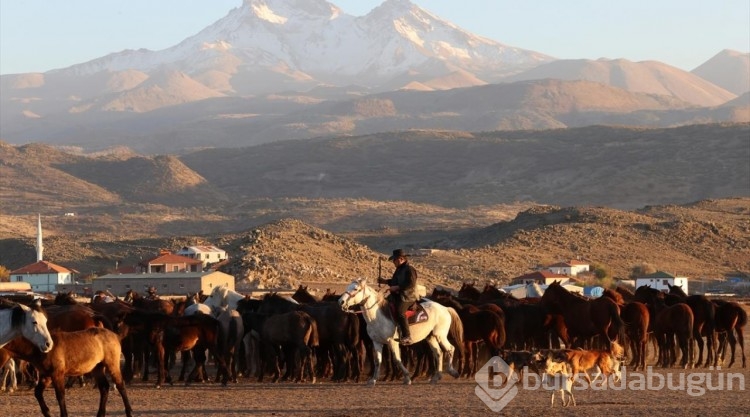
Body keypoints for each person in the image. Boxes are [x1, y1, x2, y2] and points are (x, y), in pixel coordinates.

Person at [377, 249, 418, 345]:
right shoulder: (399, 269)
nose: (393, 262)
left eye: (394, 260)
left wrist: (397, 287)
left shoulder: (410, 269)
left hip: (407, 297)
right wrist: (385, 281)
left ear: (400, 259)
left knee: (400, 312)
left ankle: (407, 336)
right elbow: (395, 282)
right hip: (397, 296)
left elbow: (410, 284)